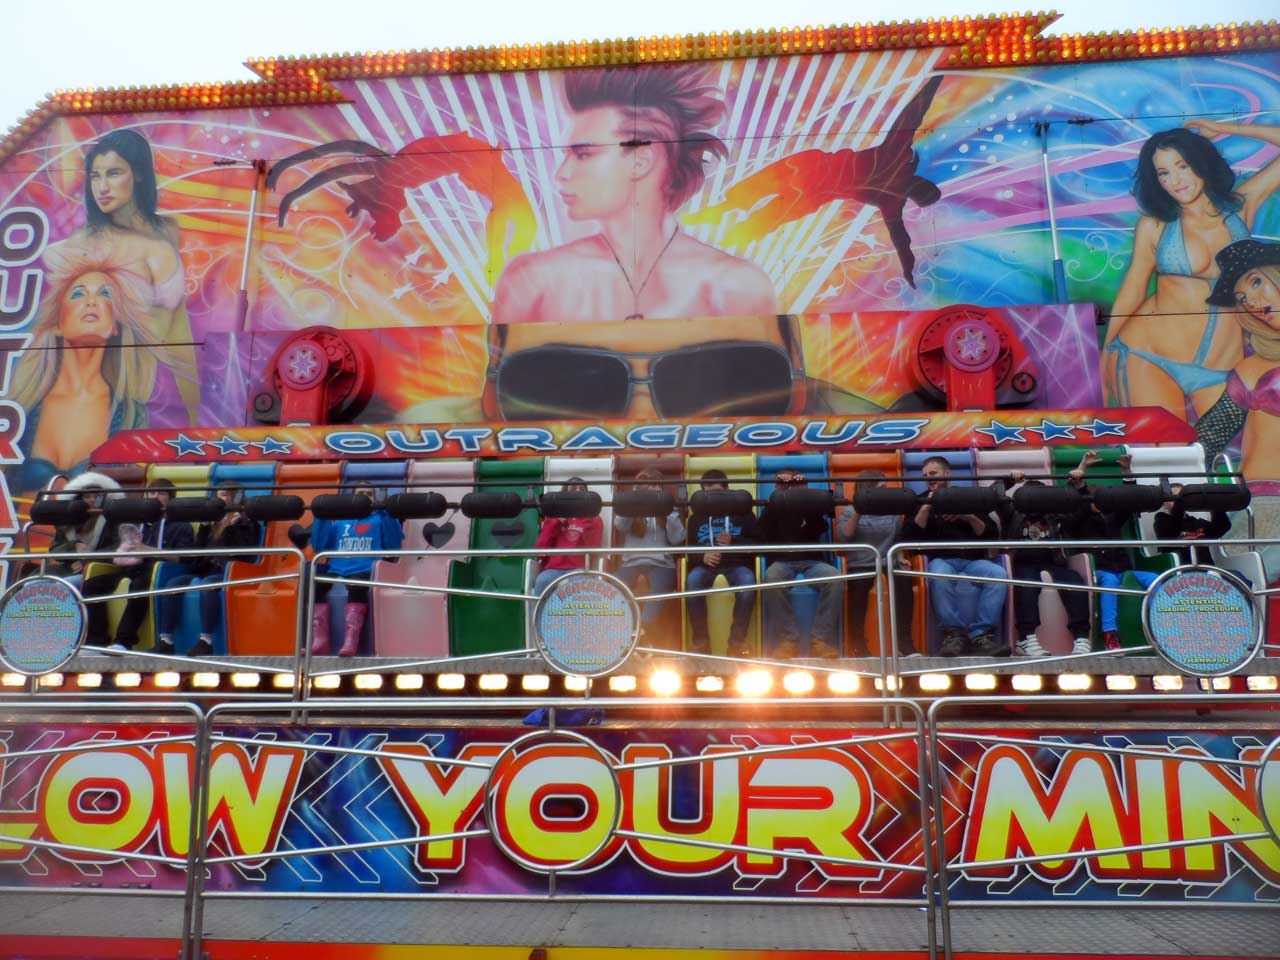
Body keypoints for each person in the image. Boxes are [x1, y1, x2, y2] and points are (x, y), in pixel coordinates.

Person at [492, 65, 777, 324]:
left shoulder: (738, 288)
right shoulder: (531, 283)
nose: (561, 174)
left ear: (641, 160)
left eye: (583, 154)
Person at [1103, 121, 1280, 419]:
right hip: (1148, 355)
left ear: (1201, 163)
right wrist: (1106, 354)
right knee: (1162, 457)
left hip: (1220, 368)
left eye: (1182, 166)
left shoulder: (1240, 209)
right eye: (1163, 173)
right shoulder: (1155, 226)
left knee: (1224, 461)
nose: (1175, 180)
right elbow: (1132, 291)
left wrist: (1223, 128)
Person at [8, 242, 181, 494]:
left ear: (115, 326)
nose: (91, 301)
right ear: (57, 323)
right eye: (78, 294)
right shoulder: (21, 408)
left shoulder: (132, 415)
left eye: (105, 294)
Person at [66, 129, 199, 421]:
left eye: (113, 173)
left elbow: (178, 329)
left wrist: (194, 416)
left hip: (137, 405)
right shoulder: (84, 243)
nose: (102, 187)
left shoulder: (167, 233)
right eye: (95, 176)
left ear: (138, 174)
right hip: (87, 399)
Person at [1196, 239, 1280, 489]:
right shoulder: (1250, 368)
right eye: (1241, 298)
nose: (1251, 302)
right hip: (1261, 498)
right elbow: (1208, 439)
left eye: (1256, 282)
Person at [902, 456, 1005, 657]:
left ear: (947, 474)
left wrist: (968, 516)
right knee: (939, 574)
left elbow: (990, 535)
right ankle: (953, 633)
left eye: (933, 474)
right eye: (925, 476)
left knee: (999, 574)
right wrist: (927, 506)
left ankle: (981, 635)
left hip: (973, 560)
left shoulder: (969, 497)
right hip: (941, 559)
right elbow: (909, 538)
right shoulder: (920, 500)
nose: (929, 479)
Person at [81, 479, 193, 650]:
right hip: (131, 568)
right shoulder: (134, 524)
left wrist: (147, 549)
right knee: (92, 585)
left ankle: (124, 641)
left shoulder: (181, 526)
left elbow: (183, 558)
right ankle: (97, 641)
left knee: (140, 585)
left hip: (160, 571)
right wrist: (118, 554)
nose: (155, 497)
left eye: (161, 493)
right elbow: (111, 549)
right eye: (152, 493)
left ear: (170, 499)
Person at [154, 481, 262, 657]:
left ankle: (206, 640)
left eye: (227, 495)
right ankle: (166, 640)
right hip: (205, 570)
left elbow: (241, 553)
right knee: (173, 584)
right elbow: (196, 556)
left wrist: (233, 527)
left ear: (238, 497)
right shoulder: (212, 523)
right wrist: (204, 528)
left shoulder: (248, 524)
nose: (223, 499)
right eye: (220, 494)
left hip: (231, 571)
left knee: (207, 585)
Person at [1065, 451, 1154, 651]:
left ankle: (1162, 624)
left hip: (1123, 568)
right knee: (1111, 583)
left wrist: (1126, 470)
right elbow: (1078, 499)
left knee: (1156, 579)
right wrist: (1082, 470)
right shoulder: (1081, 519)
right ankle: (1110, 634)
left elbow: (1130, 499)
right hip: (1099, 570)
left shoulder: (1113, 517)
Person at [995, 475, 1092, 658]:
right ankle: (1026, 639)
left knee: (1074, 580)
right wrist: (1009, 480)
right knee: (1027, 583)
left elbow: (1082, 509)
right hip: (1021, 562)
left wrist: (1079, 485)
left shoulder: (1055, 516)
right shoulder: (1013, 513)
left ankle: (1081, 638)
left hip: (1052, 562)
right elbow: (995, 495)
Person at [309, 485, 404, 656]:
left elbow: (393, 545)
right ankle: (320, 641)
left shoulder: (380, 519)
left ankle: (351, 640)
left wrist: (387, 512)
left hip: (368, 568)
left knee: (356, 586)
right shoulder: (340, 521)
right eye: (360, 494)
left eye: (369, 494)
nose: (365, 498)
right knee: (316, 586)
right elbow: (319, 546)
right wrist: (320, 516)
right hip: (338, 570)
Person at [758, 468, 842, 660]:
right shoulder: (774, 506)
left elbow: (822, 527)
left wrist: (804, 494)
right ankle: (789, 639)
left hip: (812, 561)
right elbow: (762, 531)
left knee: (836, 579)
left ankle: (819, 640)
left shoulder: (809, 507)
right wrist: (778, 494)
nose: (791, 490)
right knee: (771, 578)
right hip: (782, 561)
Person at [835, 470, 917, 658]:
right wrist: (859, 509)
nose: (886, 492)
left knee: (904, 581)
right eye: (882, 489)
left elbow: (897, 539)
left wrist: (901, 556)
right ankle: (858, 645)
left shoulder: (893, 513)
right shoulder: (849, 513)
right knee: (859, 588)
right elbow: (844, 537)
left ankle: (904, 643)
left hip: (888, 560)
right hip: (861, 562)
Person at [686, 469, 760, 657]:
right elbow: (689, 550)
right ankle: (701, 642)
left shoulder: (745, 515)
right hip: (705, 567)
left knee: (747, 583)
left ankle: (736, 643)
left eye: (716, 489)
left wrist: (733, 542)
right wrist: (702, 556)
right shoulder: (695, 518)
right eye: (707, 489)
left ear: (728, 490)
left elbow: (758, 545)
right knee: (693, 582)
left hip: (737, 565)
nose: (711, 493)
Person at [612, 468, 685, 645]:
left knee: (658, 594)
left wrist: (668, 512)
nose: (651, 489)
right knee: (613, 590)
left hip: (662, 564)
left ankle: (641, 633)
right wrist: (634, 500)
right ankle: (623, 637)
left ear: (660, 488)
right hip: (631, 562)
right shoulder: (633, 505)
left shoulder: (669, 507)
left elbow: (678, 539)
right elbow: (620, 525)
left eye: (654, 485)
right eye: (646, 485)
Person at [43, 472, 125, 583]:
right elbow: (54, 550)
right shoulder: (67, 522)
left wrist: (89, 558)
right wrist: (74, 546)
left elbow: (119, 548)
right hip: (70, 568)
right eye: (87, 497)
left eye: (96, 497)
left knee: (64, 585)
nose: (92, 500)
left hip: (100, 570)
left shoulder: (113, 519)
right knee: (32, 584)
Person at [532, 477, 604, 595]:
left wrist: (586, 524)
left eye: (582, 488)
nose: (578, 491)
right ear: (565, 494)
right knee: (542, 581)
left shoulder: (594, 518)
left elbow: (594, 549)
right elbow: (540, 550)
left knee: (576, 584)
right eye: (573, 488)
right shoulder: (553, 516)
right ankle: (538, 614)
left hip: (579, 569)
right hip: (553, 569)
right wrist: (556, 523)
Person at [1153, 482, 1231, 566]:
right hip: (1180, 572)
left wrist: (1212, 501)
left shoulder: (1195, 523)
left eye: (1182, 496)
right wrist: (1181, 499)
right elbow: (1174, 528)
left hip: (1207, 571)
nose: (1179, 500)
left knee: (1237, 576)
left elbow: (1222, 527)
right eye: (1173, 497)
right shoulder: (1161, 521)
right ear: (1164, 504)